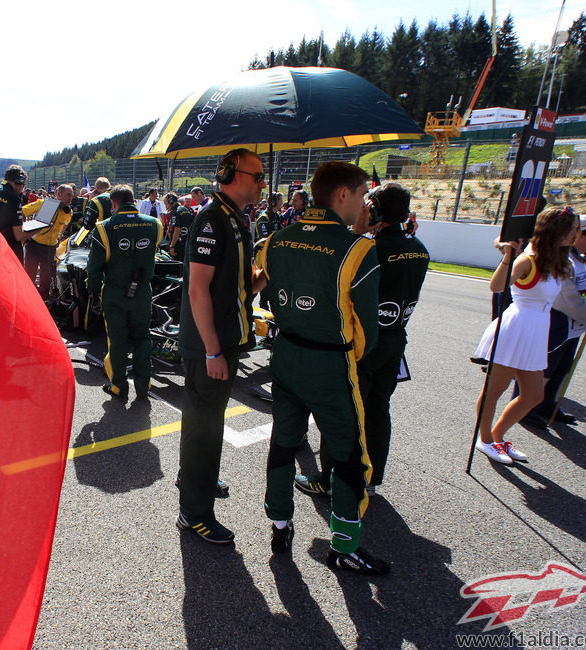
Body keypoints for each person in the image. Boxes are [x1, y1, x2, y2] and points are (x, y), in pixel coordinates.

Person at [257, 160, 388, 575]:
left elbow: (265, 296)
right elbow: (367, 331)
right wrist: (349, 355)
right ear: (343, 195)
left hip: (285, 356)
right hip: (332, 363)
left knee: (284, 441)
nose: (365, 204)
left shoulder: (275, 240)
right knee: (350, 456)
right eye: (363, 194)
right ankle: (345, 546)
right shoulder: (359, 248)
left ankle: (280, 523)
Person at [294, 182, 429, 498]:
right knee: (378, 408)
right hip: (396, 341)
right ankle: (371, 474)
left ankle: (330, 478)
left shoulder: (367, 249)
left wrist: (357, 230)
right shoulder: (419, 248)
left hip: (361, 344)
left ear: (376, 211)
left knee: (342, 411)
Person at [175, 148, 266, 544]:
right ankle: (193, 513)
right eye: (257, 175)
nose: (263, 182)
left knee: (206, 425)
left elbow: (242, 288)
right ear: (231, 174)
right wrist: (212, 350)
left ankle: (196, 481)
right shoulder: (213, 219)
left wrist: (272, 265)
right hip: (207, 348)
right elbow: (198, 290)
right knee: (204, 429)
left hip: (225, 343)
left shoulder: (237, 219)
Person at [473, 207, 581, 465]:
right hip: (517, 327)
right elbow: (497, 287)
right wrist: (508, 256)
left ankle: (498, 435)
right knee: (494, 390)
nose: (575, 234)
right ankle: (485, 439)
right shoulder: (527, 259)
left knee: (534, 395)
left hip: (536, 330)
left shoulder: (560, 262)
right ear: (555, 230)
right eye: (571, 229)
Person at [518, 215, 586, 427]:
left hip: (574, 323)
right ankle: (524, 406)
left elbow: (581, 293)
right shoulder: (560, 259)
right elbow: (565, 298)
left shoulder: (576, 258)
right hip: (557, 320)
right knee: (542, 368)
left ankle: (548, 405)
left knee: (560, 369)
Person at [86, 185, 163, 400]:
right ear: (134, 200)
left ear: (113, 203)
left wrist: (92, 291)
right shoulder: (155, 225)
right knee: (142, 338)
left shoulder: (104, 228)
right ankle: (143, 386)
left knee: (117, 340)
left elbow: (94, 268)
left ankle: (119, 387)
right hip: (142, 293)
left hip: (114, 293)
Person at [23, 183, 75, 300]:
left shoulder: (68, 212)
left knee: (46, 280)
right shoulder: (46, 205)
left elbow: (64, 226)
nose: (70, 198)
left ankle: (44, 303)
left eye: (72, 195)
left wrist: (59, 236)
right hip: (34, 246)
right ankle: (26, 299)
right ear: (59, 194)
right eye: (68, 195)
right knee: (29, 276)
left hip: (50, 249)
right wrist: (24, 231)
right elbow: (23, 211)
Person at [0, 165, 31, 261]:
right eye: (23, 184)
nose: (22, 188)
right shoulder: (14, 198)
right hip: (8, 250)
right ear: (19, 181)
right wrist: (37, 230)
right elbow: (19, 235)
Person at [165, 192, 193, 262]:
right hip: (187, 244)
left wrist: (172, 246)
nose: (166, 206)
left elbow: (177, 230)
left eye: (166, 204)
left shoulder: (175, 212)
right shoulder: (185, 209)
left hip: (178, 246)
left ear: (171, 201)